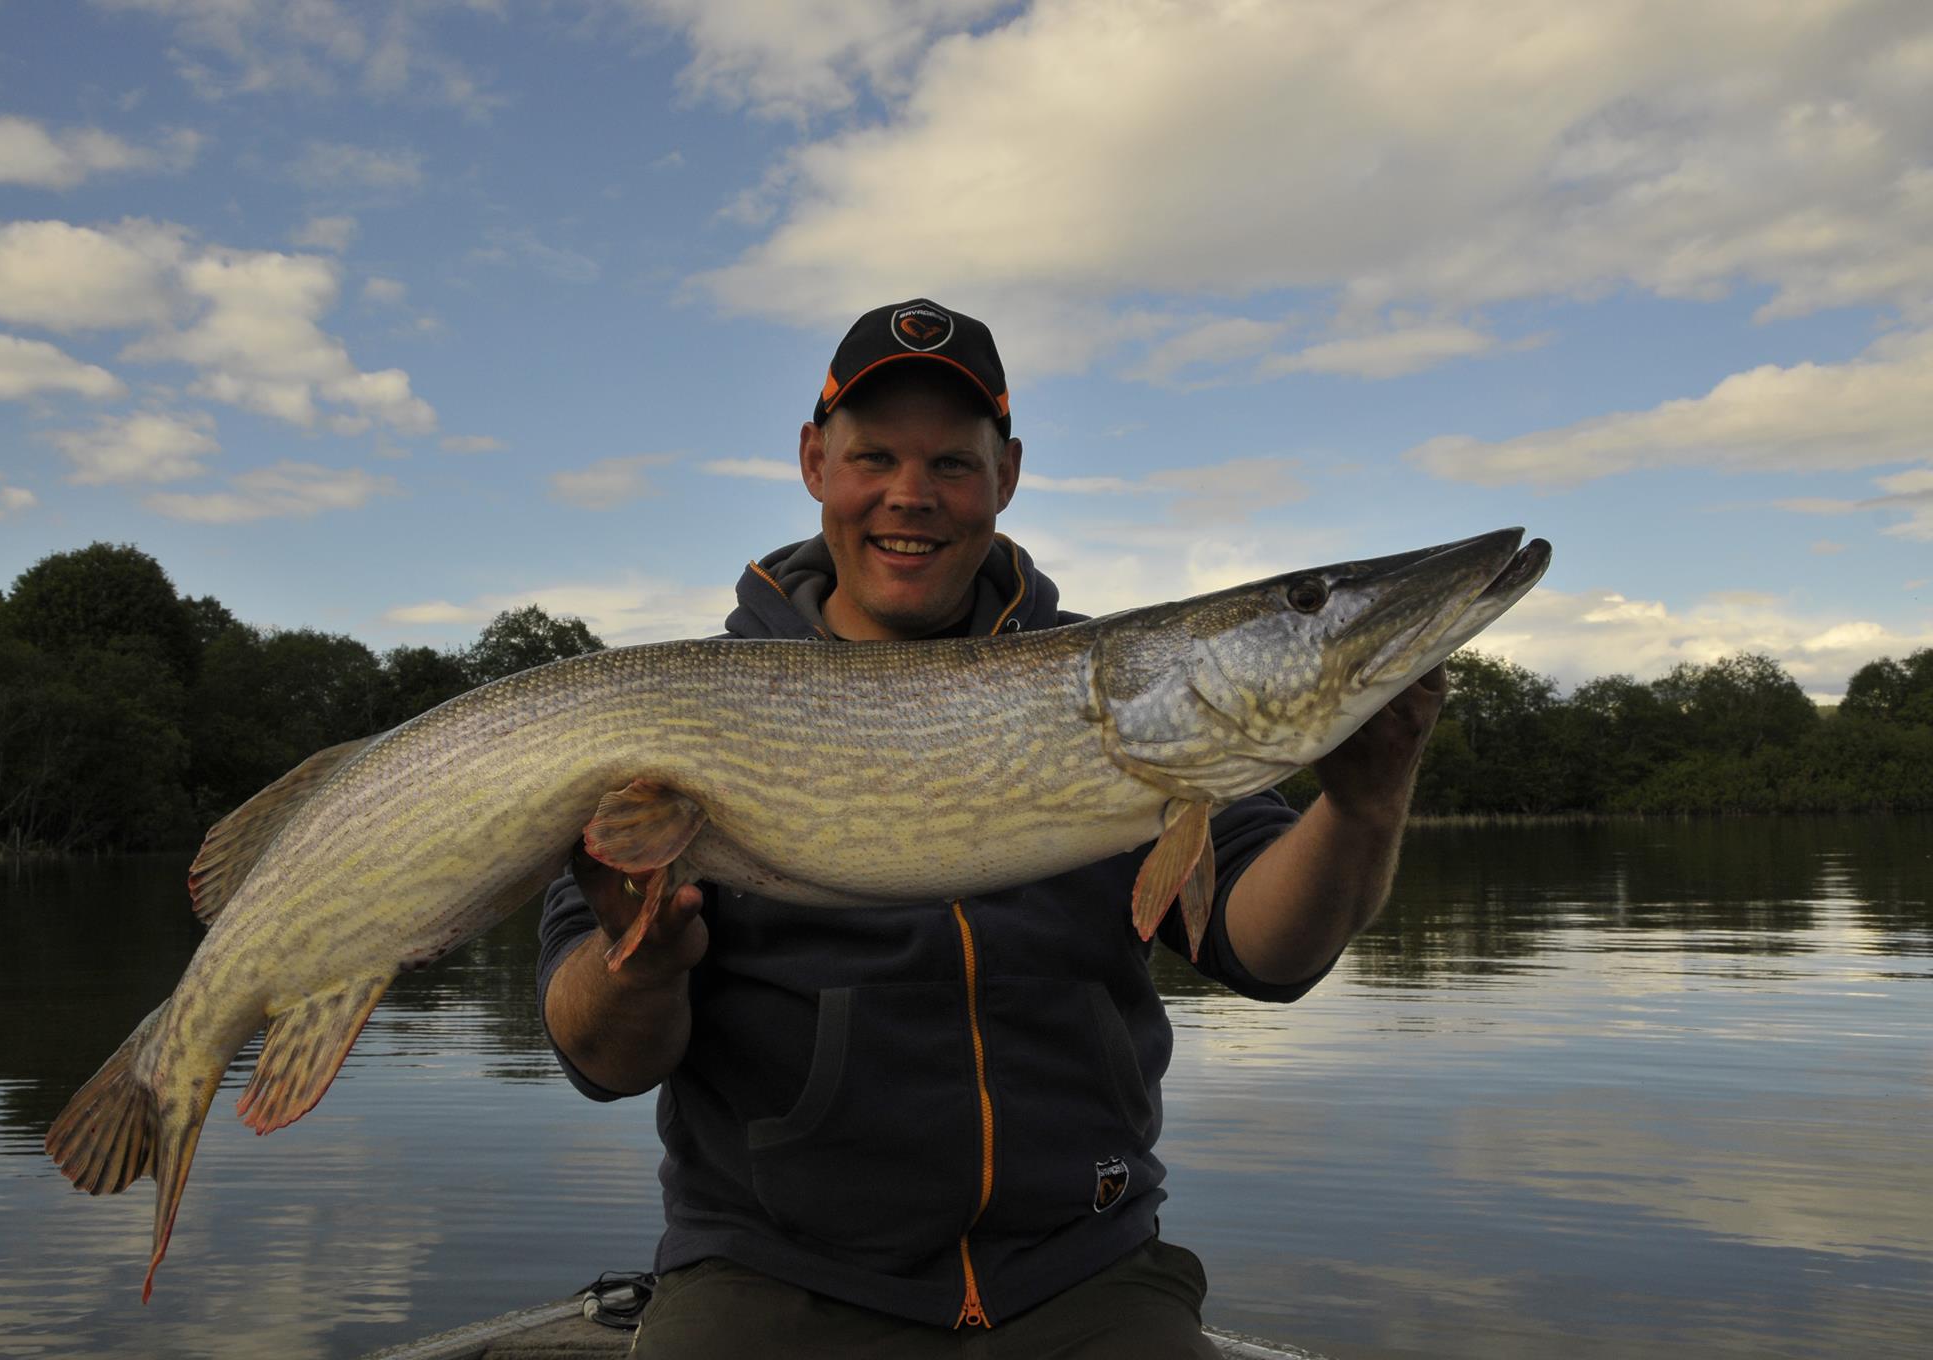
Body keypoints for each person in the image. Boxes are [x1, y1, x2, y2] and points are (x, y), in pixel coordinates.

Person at [537, 299, 1445, 1357]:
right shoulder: (676, 713)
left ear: (1004, 475)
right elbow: (598, 1057)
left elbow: (1266, 951)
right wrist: (640, 966)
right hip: (770, 1273)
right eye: (873, 455)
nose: (909, 497)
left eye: (952, 466)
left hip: (1080, 1266)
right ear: (813, 462)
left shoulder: (1134, 704)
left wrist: (1365, 801)